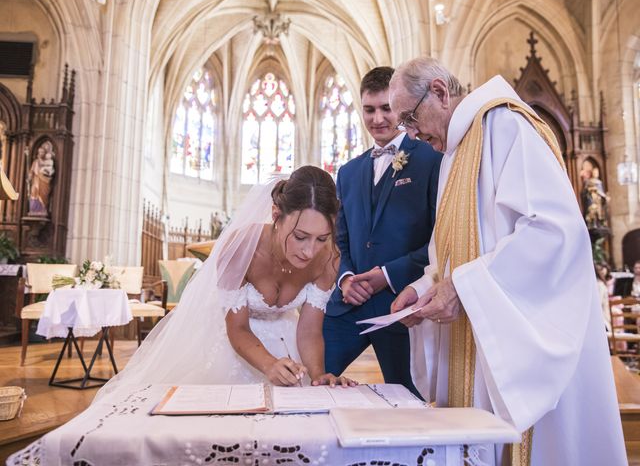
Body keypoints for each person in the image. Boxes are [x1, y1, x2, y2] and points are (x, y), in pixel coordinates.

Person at [388, 57, 626, 465]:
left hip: (517, 354)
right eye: (404, 126)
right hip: (475, 347)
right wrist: (422, 289)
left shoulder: (506, 126)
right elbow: (450, 257)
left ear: (441, 93)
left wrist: (462, 287)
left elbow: (554, 233)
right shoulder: (452, 156)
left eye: (410, 119)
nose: (411, 134)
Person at [97, 165, 355, 402]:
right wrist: (269, 364)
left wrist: (319, 375)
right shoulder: (241, 248)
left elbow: (309, 330)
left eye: (322, 238)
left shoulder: (328, 258)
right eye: (300, 237)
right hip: (230, 341)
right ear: (276, 215)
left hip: (286, 340)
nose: (310, 251)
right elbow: (238, 327)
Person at [323, 66, 441, 397]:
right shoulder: (348, 172)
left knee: (409, 400)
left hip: (401, 307)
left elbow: (438, 237)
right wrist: (346, 278)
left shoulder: (430, 157)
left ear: (399, 107)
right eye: (369, 109)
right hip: (349, 305)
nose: (377, 119)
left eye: (386, 108)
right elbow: (340, 240)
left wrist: (386, 275)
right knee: (312, 380)